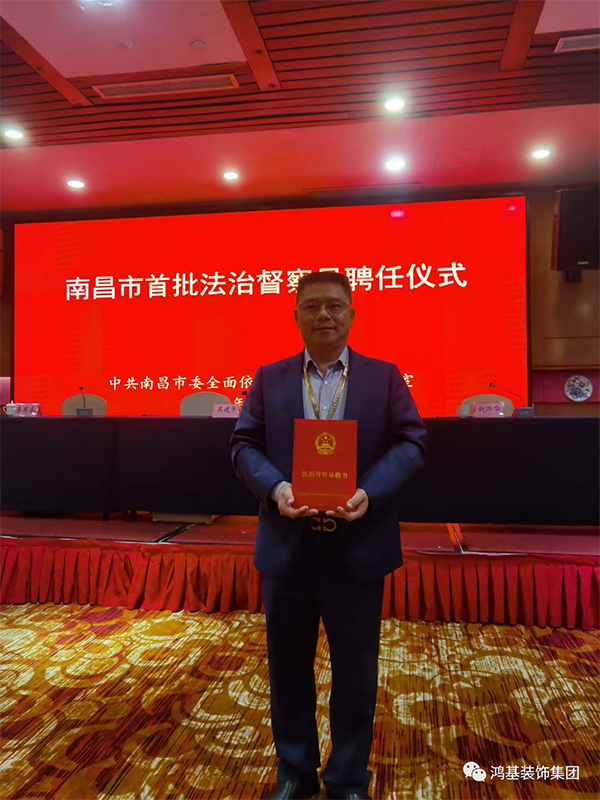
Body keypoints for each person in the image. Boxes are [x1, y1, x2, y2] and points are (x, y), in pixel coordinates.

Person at [230, 272, 426, 800]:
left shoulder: (384, 377)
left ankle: (347, 778)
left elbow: (411, 443)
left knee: (356, 671)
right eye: (312, 306)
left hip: (356, 549)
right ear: (295, 316)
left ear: (351, 314)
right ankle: (295, 771)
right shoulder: (269, 378)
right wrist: (276, 489)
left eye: (335, 306)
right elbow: (244, 445)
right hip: (288, 547)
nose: (324, 315)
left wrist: (370, 492)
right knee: (288, 668)